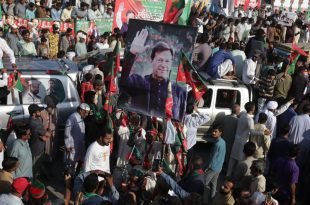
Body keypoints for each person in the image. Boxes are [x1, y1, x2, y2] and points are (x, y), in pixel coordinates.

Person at [121, 28, 187, 120]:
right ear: (151, 60)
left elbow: (181, 115)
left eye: (167, 61)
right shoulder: (138, 82)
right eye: (160, 60)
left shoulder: (179, 91)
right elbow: (123, 81)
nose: (163, 65)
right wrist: (132, 53)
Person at [64, 103, 90, 175]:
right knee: (69, 165)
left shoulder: (81, 118)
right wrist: (67, 145)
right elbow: (67, 131)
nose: (87, 114)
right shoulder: (72, 117)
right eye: (86, 112)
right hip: (72, 146)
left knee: (76, 164)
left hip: (79, 146)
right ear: (81, 110)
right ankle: (68, 182)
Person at [203, 125, 226, 203]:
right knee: (214, 184)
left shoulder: (217, 144)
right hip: (219, 167)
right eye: (213, 131)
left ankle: (203, 201)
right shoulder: (222, 141)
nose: (213, 133)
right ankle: (212, 200)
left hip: (212, 168)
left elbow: (212, 158)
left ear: (220, 133)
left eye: (215, 131)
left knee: (204, 185)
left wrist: (206, 168)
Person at [28, 104, 50, 179]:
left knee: (37, 165)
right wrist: (48, 133)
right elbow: (46, 134)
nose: (40, 112)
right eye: (38, 111)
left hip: (35, 147)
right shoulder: (36, 124)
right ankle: (32, 184)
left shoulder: (32, 120)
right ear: (34, 113)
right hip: (37, 149)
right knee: (34, 169)